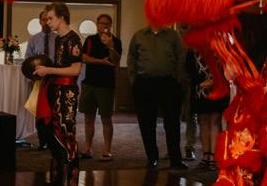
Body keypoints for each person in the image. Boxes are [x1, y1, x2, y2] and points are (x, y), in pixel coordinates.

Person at [31, 2, 83, 186]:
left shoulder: (73, 39)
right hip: (55, 90)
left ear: (62, 18)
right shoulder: (59, 39)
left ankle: (70, 185)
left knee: (66, 134)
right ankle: (57, 180)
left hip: (66, 93)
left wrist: (49, 70)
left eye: (51, 18)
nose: (48, 22)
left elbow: (75, 70)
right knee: (54, 135)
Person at [128, 22, 186, 169]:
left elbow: (181, 56)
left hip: (168, 82)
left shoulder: (173, 35)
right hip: (144, 83)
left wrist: (177, 78)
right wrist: (133, 80)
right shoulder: (138, 36)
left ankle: (175, 159)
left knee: (172, 123)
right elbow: (132, 58)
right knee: (146, 123)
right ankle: (152, 158)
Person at [79, 13, 121, 161]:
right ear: (97, 25)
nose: (104, 26)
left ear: (111, 25)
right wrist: (101, 62)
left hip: (106, 85)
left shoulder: (116, 41)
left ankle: (107, 150)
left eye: (107, 23)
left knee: (106, 118)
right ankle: (87, 148)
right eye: (102, 23)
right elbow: (84, 57)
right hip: (89, 83)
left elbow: (115, 60)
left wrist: (110, 47)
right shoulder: (90, 40)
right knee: (88, 118)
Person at [187, 50, 229, 171]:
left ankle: (214, 157)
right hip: (199, 88)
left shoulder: (219, 44)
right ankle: (206, 155)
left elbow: (226, 63)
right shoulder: (193, 48)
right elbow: (189, 66)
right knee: (203, 120)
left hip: (218, 86)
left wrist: (216, 81)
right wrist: (199, 82)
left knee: (215, 120)